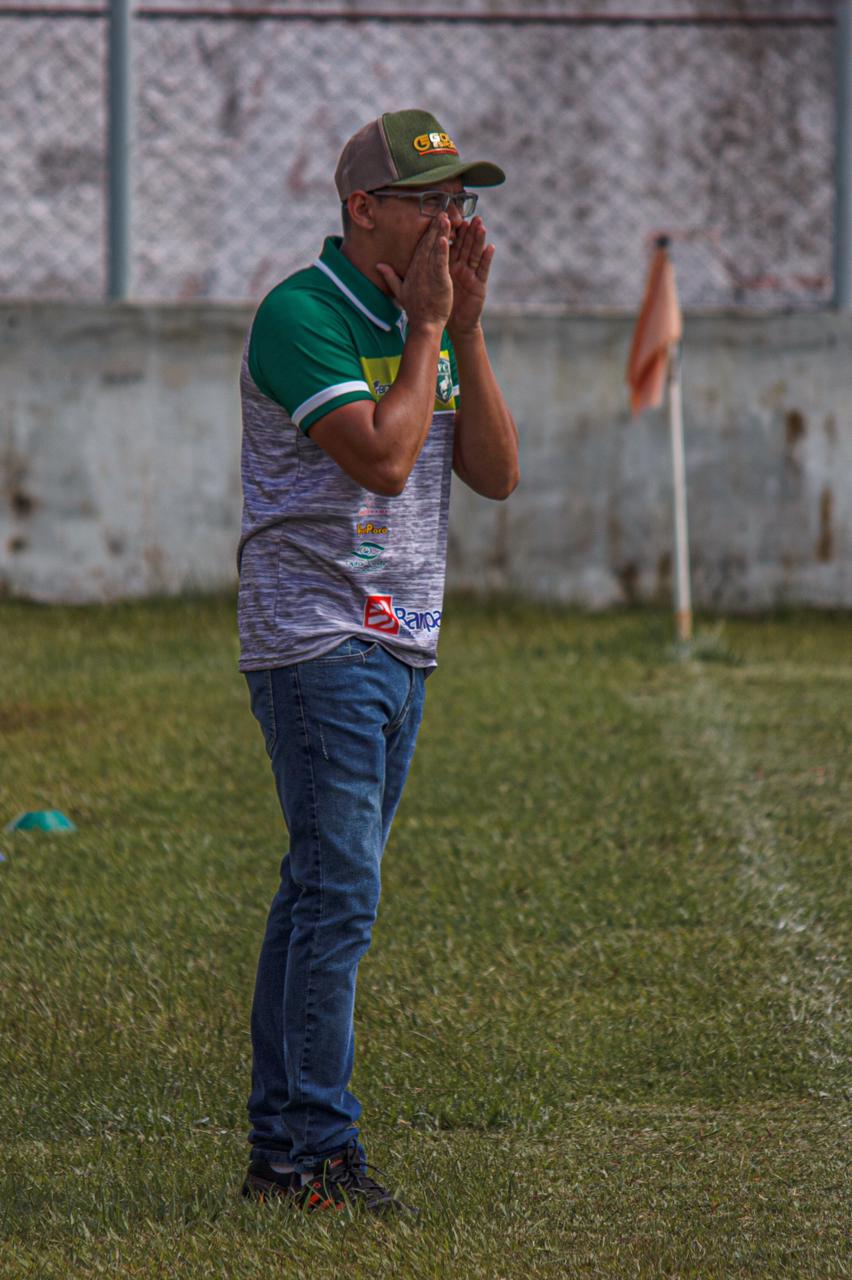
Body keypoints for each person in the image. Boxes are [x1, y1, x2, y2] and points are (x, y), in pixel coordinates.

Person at [236, 108, 519, 1216]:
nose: (454, 222)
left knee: (318, 888)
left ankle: (280, 1150)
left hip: (403, 640)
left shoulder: (427, 319)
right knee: (341, 895)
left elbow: (494, 472)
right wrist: (429, 327)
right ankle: (318, 1153)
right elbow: (388, 462)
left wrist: (466, 333)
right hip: (320, 639)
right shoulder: (301, 315)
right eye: (432, 202)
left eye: (462, 201)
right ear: (364, 210)